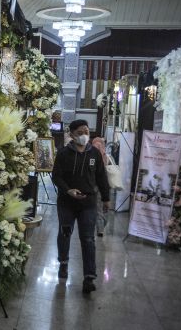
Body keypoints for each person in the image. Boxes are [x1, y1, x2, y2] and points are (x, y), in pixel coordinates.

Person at [51, 119, 110, 294]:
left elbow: (101, 177)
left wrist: (106, 198)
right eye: (80, 132)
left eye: (86, 131)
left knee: (88, 239)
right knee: (65, 233)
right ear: (72, 134)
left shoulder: (94, 154)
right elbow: (56, 176)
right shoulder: (63, 154)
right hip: (67, 202)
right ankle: (63, 262)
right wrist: (68, 190)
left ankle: (89, 277)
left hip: (88, 202)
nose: (84, 135)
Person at [91, 136, 109, 237]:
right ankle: (100, 228)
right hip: (102, 185)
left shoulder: (91, 153)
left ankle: (99, 227)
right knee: (101, 207)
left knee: (96, 207)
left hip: (93, 184)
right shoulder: (105, 155)